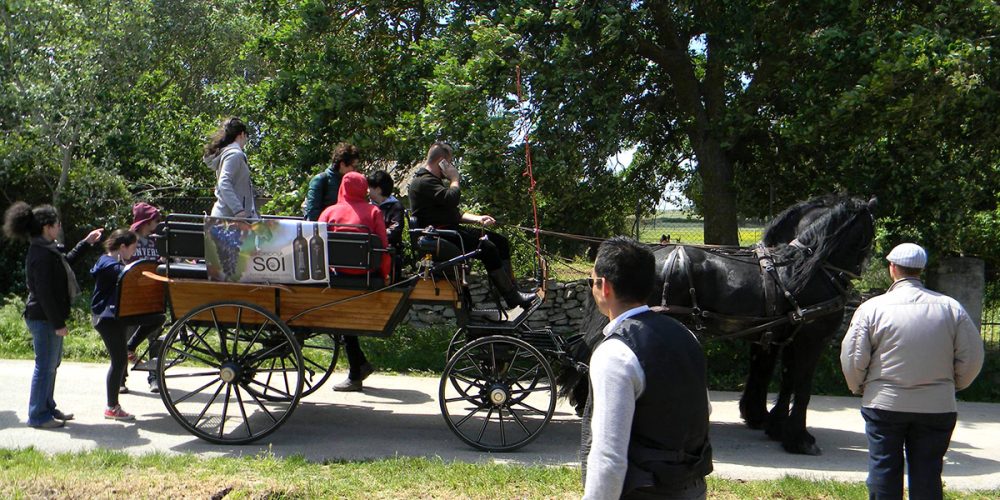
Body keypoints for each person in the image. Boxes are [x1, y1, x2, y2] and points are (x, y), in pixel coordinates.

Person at [841, 243, 984, 500]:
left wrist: (859, 386)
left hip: (884, 404)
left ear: (892, 268)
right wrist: (952, 385)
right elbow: (972, 358)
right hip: (936, 406)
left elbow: (853, 357)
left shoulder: (872, 308)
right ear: (921, 270)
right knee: (928, 472)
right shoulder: (951, 308)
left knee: (883, 468)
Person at [583, 237, 713, 500]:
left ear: (604, 287)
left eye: (591, 281)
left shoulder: (614, 353)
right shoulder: (685, 334)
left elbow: (609, 456)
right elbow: (704, 409)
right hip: (692, 488)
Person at [3, 202, 103, 429]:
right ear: (47, 227)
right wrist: (58, 323)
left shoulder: (47, 249)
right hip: (43, 317)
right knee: (45, 365)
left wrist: (86, 243)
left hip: (47, 317)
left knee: (51, 364)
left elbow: (65, 261)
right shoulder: (41, 254)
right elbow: (44, 293)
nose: (59, 227)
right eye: (57, 224)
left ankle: (47, 406)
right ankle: (38, 415)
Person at [407, 142, 535, 308]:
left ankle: (513, 290)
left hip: (449, 231)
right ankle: (512, 297)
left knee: (500, 242)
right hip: (441, 235)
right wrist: (454, 178)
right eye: (450, 162)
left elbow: (453, 213)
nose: (451, 166)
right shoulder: (424, 182)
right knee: (487, 248)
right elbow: (452, 198)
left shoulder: (431, 182)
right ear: (442, 161)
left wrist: (478, 219)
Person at [319, 171, 389, 392]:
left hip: (338, 278)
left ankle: (357, 370)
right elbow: (383, 248)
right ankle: (358, 367)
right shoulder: (374, 211)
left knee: (342, 321)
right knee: (346, 324)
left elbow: (316, 246)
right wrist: (385, 275)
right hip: (367, 277)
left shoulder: (329, 212)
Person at [90, 229, 140, 421]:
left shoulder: (113, 262)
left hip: (115, 317)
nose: (133, 252)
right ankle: (112, 407)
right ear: (122, 247)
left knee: (156, 319)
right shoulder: (109, 264)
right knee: (118, 362)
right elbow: (125, 275)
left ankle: (130, 347)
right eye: (133, 248)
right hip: (106, 319)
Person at [122, 202, 167, 393]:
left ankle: (155, 377)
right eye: (155, 220)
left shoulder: (158, 240)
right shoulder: (128, 240)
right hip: (132, 297)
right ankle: (120, 379)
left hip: (152, 295)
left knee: (154, 338)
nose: (158, 223)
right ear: (146, 222)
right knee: (125, 339)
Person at [203, 117, 258, 219]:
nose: (246, 141)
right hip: (230, 219)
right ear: (241, 134)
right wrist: (238, 210)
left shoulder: (228, 153)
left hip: (230, 218)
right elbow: (224, 182)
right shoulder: (234, 155)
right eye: (246, 137)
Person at [303, 142, 361, 221]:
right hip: (326, 230)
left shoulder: (351, 182)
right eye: (354, 167)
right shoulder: (320, 180)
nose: (355, 170)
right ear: (342, 164)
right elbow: (313, 215)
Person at [367, 170, 405, 281]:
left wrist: (375, 237)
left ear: (378, 190)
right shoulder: (367, 205)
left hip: (387, 250)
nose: (367, 191)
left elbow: (395, 231)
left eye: (370, 188)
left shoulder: (396, 207)